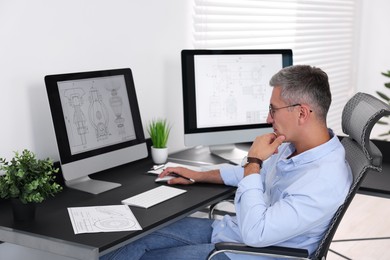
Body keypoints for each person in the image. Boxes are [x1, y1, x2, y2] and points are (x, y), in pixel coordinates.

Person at [100, 65, 352, 260]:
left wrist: (254, 160)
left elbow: (258, 232)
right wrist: (198, 174)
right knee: (133, 240)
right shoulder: (294, 147)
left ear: (301, 113)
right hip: (233, 232)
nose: (268, 118)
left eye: (273, 109)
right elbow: (254, 178)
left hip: (249, 252)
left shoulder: (324, 179)